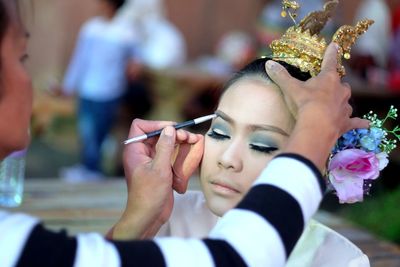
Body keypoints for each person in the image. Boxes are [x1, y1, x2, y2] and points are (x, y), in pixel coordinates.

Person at [0, 0, 368, 266]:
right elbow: (237, 258)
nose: (226, 158)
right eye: (220, 133)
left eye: (262, 143)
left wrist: (138, 219)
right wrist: (317, 127)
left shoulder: (340, 260)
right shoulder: (175, 221)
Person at [57, 0, 139, 181]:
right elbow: (80, 59)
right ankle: (89, 168)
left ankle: (92, 170)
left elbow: (136, 59)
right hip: (88, 88)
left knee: (99, 132)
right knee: (86, 131)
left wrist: (134, 67)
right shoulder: (91, 28)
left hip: (110, 91)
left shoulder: (126, 32)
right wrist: (69, 85)